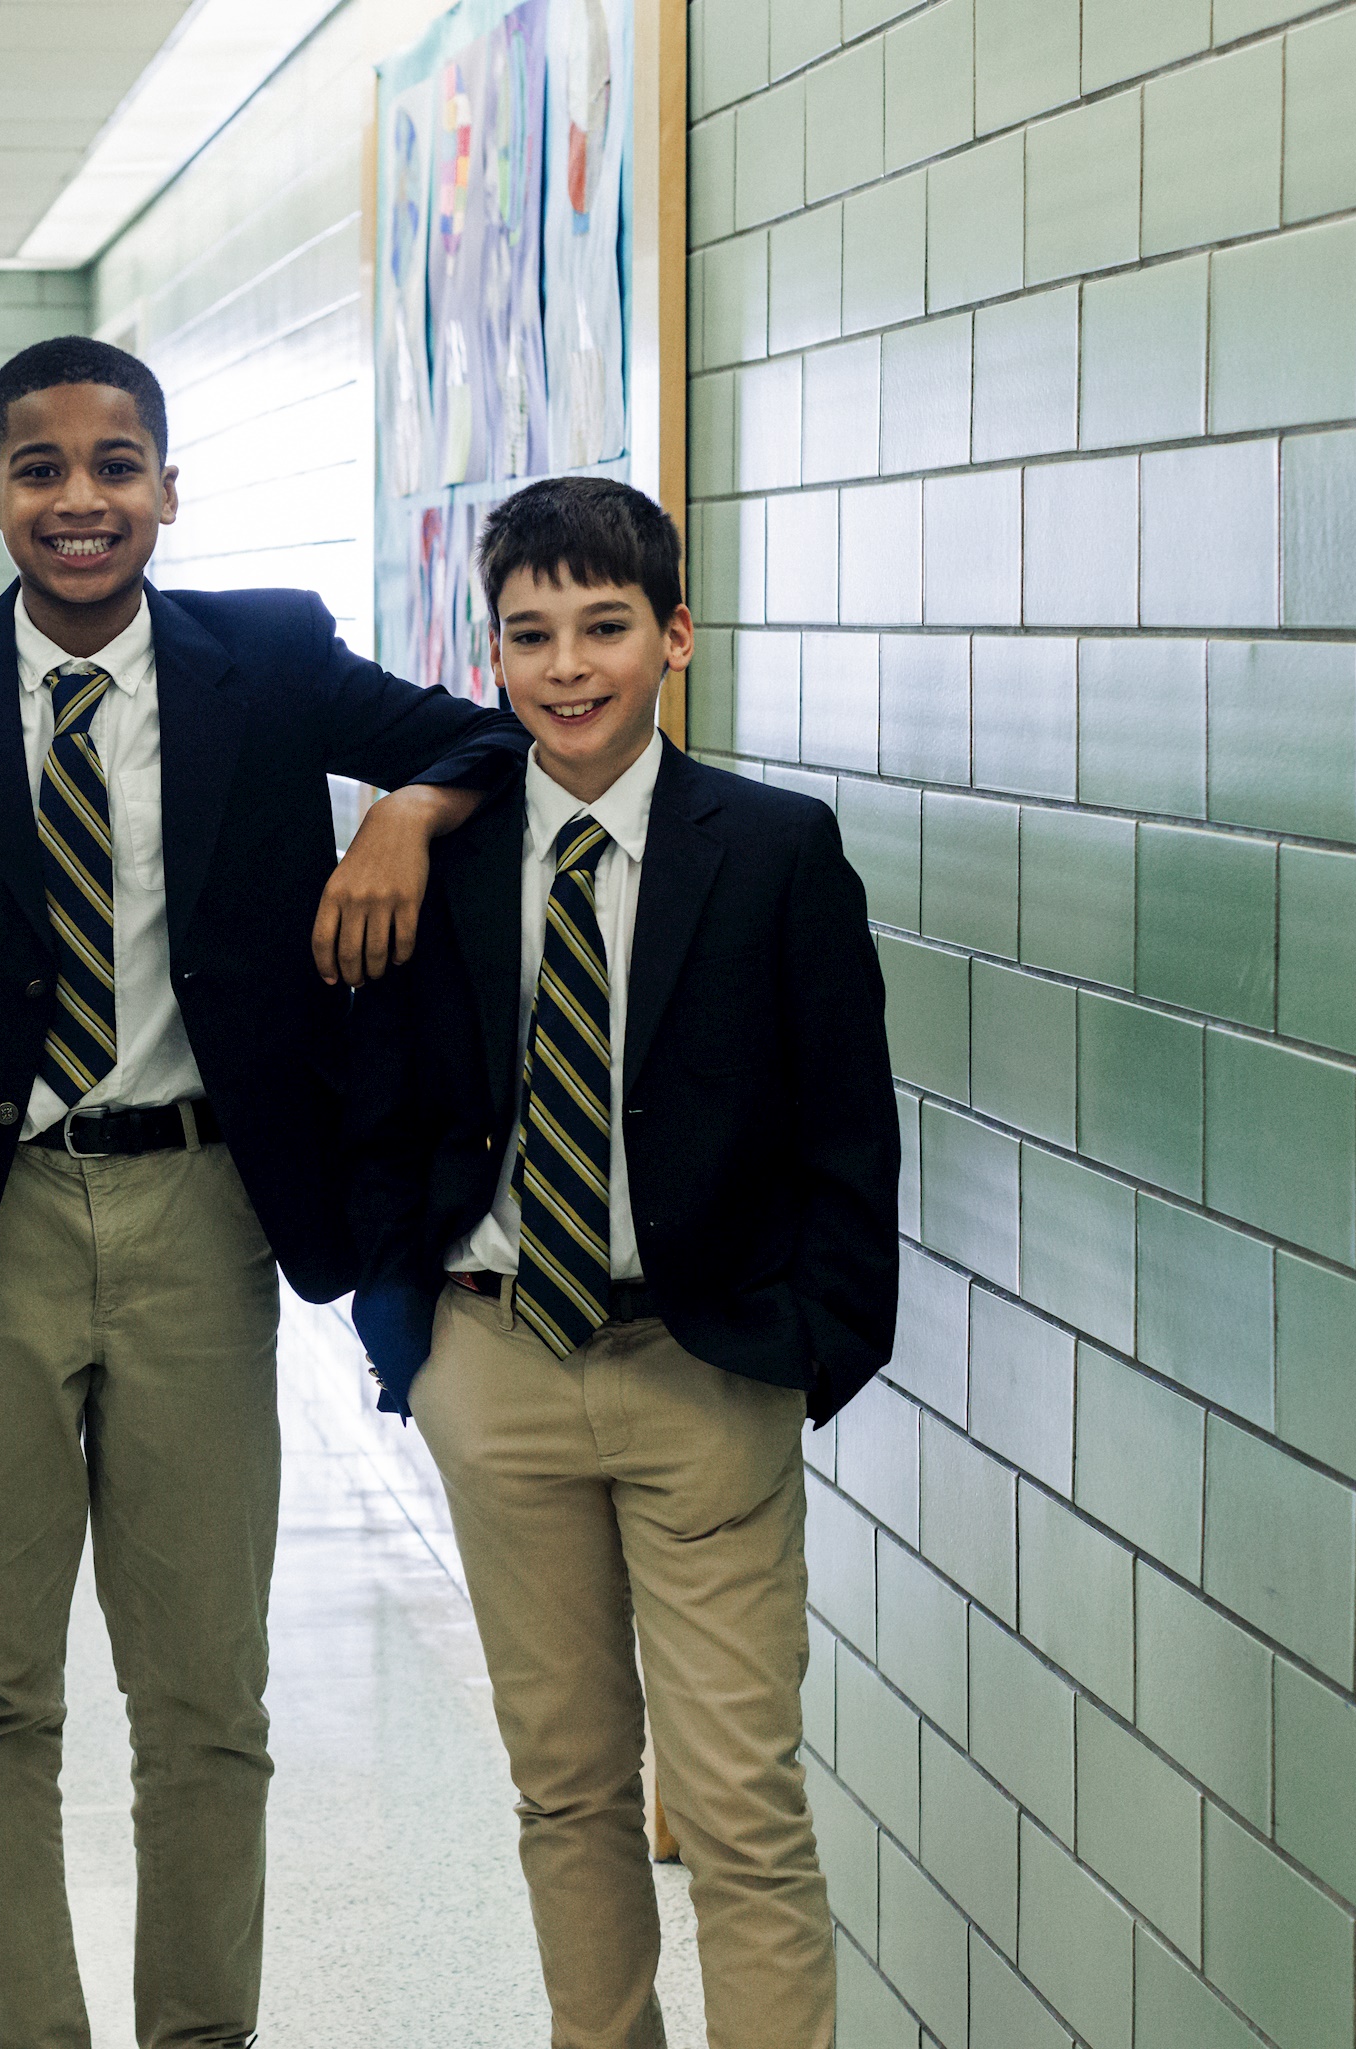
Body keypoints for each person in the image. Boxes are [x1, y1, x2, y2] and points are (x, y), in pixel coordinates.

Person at [0, 335, 529, 2049]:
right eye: (45, 469)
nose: (84, 500)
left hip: (199, 1209)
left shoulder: (269, 658)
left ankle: (197, 2034)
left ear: (165, 486)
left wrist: (404, 821)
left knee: (205, 1691)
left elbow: (486, 738)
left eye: (118, 464)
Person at [340, 475, 898, 2049]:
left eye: (604, 627)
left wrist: (803, 1350)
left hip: (704, 1366)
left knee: (737, 1797)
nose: (568, 666)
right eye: (531, 634)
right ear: (491, 649)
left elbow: (850, 1134)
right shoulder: (437, 857)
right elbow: (377, 1108)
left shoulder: (778, 852)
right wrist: (418, 1350)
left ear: (676, 637)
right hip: (496, 1360)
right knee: (567, 1783)